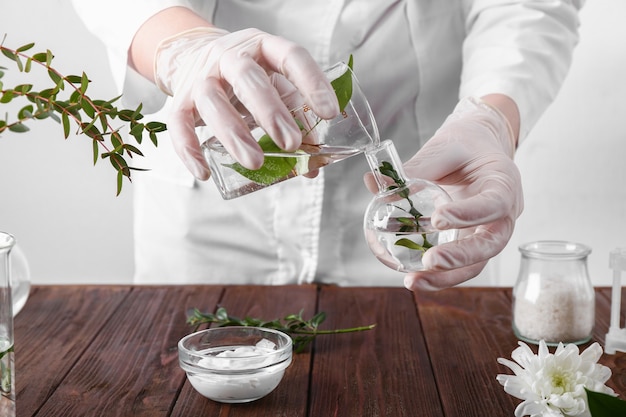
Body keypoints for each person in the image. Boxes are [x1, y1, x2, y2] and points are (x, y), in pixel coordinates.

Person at [71, 1, 583, 290]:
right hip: (209, 211)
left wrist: (492, 117)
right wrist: (179, 46)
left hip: (425, 194)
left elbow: (528, 8)